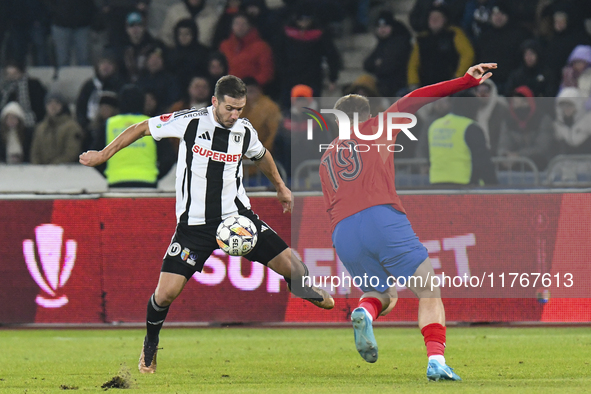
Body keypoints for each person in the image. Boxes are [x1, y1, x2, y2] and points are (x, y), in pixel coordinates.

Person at [79, 75, 335, 374]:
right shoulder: (190, 121)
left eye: (240, 108)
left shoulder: (243, 130)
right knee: (165, 294)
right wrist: (103, 154)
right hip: (194, 226)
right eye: (230, 108)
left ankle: (301, 287)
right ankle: (150, 345)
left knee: (292, 265)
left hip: (237, 219)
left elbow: (262, 155)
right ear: (215, 101)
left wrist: (280, 186)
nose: (235, 114)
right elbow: (142, 127)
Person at [319, 63, 497, 380]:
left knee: (383, 295)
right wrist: (465, 81)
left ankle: (364, 311)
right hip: (380, 217)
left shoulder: (326, 155)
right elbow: (418, 97)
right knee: (428, 289)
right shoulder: (379, 125)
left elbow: (331, 204)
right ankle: (437, 361)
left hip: (343, 231)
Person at [428, 91, 498, 186]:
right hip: (464, 184)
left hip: (436, 183)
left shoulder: (435, 125)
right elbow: (482, 160)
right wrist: (493, 185)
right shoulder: (470, 127)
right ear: (471, 107)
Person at [407, 4, 475, 88]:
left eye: (438, 17)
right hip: (426, 86)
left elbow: (468, 54)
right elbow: (413, 63)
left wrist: (457, 77)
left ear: (445, 19)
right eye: (431, 17)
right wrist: (413, 83)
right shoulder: (421, 38)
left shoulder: (454, 33)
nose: (434, 20)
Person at [362, 10, 412, 97]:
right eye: (379, 27)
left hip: (399, 88)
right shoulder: (382, 44)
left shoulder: (400, 42)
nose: (382, 30)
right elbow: (367, 64)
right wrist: (377, 63)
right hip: (385, 88)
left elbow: (389, 66)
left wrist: (379, 64)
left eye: (385, 26)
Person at [219, 13, 275, 88]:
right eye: (237, 24)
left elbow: (267, 73)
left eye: (243, 24)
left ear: (250, 26)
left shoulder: (262, 47)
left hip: (252, 91)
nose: (240, 27)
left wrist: (248, 85)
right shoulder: (224, 46)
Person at [30, 93, 84, 164]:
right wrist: (38, 167)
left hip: (65, 170)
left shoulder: (72, 127)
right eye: (49, 103)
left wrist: (54, 166)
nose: (53, 106)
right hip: (42, 171)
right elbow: (35, 152)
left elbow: (72, 152)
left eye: (57, 103)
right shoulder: (40, 128)